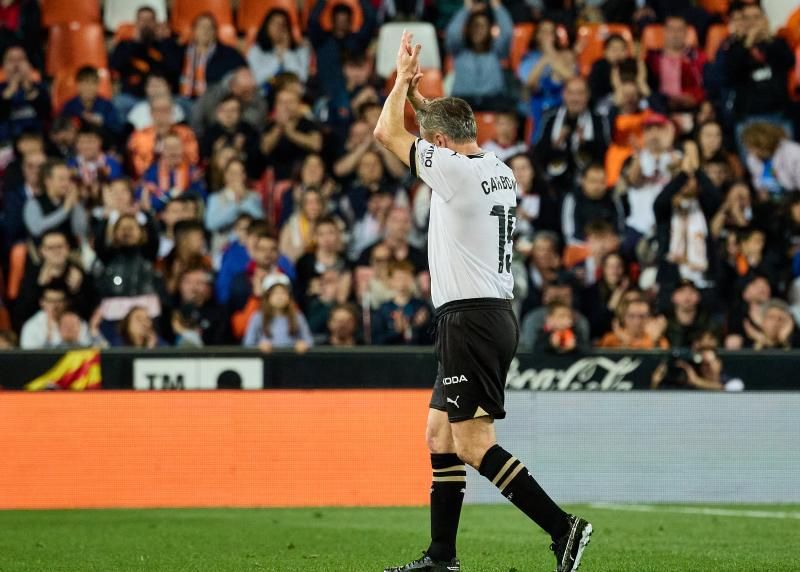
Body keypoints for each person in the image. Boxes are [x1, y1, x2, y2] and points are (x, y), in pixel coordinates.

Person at [376, 31, 591, 572]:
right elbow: (446, 130)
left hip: (470, 318)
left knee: (473, 444)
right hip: (486, 314)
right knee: (439, 434)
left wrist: (402, 81)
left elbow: (385, 131)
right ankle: (441, 556)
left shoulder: (450, 171)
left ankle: (564, 528)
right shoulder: (498, 169)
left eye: (429, 141)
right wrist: (427, 106)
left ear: (439, 146)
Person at [535, 77, 609, 189]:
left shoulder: (598, 120)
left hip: (588, 185)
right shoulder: (551, 118)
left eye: (580, 93)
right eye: (571, 93)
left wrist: (585, 144)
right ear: (564, 95)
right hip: (555, 184)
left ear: (588, 95)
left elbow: (605, 154)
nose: (575, 99)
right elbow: (539, 154)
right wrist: (555, 144)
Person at [109, 6, 180, 119]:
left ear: (156, 23)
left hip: (162, 97)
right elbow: (115, 66)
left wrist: (162, 43)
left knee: (183, 104)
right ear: (136, 23)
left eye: (149, 20)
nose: (146, 24)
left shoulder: (166, 45)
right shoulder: (125, 45)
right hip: (133, 97)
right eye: (142, 20)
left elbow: (174, 68)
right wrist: (135, 42)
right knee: (119, 103)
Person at [445, 0, 513, 111]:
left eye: (482, 27)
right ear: (468, 30)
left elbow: (507, 33)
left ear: (489, 30)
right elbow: (452, 33)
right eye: (475, 26)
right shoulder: (459, 50)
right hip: (463, 103)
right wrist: (466, 8)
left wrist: (496, 6)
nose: (478, 30)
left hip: (493, 101)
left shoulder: (496, 52)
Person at [518, 20, 576, 129]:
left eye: (551, 32)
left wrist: (550, 53)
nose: (547, 36)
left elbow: (573, 79)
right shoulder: (529, 57)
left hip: (562, 105)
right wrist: (544, 60)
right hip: (535, 104)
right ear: (536, 36)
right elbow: (529, 84)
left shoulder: (566, 55)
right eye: (544, 32)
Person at [205, 158, 264, 262]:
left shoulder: (254, 197)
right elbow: (211, 224)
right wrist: (235, 205)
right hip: (222, 250)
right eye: (232, 173)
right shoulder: (215, 198)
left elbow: (260, 220)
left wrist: (244, 200)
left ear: (244, 176)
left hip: (249, 250)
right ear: (225, 176)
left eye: (239, 173)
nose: (235, 177)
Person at [644, 15, 707, 112]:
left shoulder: (698, 57)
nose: (675, 34)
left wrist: (694, 97)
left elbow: (705, 85)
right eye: (671, 29)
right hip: (660, 107)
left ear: (686, 32)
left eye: (679, 30)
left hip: (692, 106)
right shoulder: (652, 58)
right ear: (664, 31)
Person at [178, 13, 246, 100]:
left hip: (214, 102)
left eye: (210, 27)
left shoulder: (229, 54)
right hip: (183, 100)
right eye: (201, 27)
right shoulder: (180, 51)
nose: (205, 31)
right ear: (193, 30)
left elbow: (243, 71)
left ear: (215, 32)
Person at [23, 159, 88, 247]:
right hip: (44, 254)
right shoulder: (33, 203)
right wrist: (65, 210)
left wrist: (75, 203)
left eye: (69, 179)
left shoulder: (71, 201)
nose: (67, 183)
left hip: (71, 252)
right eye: (62, 179)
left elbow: (81, 231)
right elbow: (36, 229)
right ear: (48, 181)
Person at [243, 273, 313, 352]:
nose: (279, 297)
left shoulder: (297, 316)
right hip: (266, 361)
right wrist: (259, 347)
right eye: (275, 293)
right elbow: (248, 344)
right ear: (267, 297)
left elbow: (309, 340)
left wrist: (303, 344)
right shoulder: (257, 317)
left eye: (283, 292)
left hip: (292, 361)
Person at [372, 261, 432, 345]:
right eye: (398, 278)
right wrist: (396, 332)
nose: (402, 283)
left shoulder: (421, 307)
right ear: (390, 281)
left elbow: (432, 339)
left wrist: (421, 326)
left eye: (406, 278)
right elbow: (376, 342)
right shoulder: (383, 309)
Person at [0, 44, 50, 144]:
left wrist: (28, 88)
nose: (16, 65)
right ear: (3, 66)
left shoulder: (40, 87)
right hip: (6, 144)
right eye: (11, 60)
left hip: (37, 142)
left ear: (29, 64)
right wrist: (10, 90)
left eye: (20, 59)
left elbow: (46, 114)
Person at [247, 9, 311, 86]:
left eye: (282, 24)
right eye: (274, 24)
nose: (278, 28)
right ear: (266, 26)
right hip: (264, 95)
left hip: (292, 95)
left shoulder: (301, 50)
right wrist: (278, 59)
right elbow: (256, 80)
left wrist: (286, 52)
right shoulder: (256, 50)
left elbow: (301, 78)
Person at [59, 66, 122, 139]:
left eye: (93, 83)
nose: (89, 87)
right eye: (85, 83)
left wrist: (101, 123)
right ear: (77, 85)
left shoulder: (107, 106)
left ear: (98, 85)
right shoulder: (69, 106)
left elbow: (117, 130)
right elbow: (61, 128)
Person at [741, 122, 800, 197]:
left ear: (763, 143)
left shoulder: (793, 152)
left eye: (752, 147)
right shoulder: (752, 158)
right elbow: (759, 185)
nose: (749, 151)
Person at [597, 297, 669, 349]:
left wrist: (627, 341)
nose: (637, 321)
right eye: (631, 316)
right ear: (623, 317)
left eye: (642, 316)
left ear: (649, 318)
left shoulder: (658, 341)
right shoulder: (611, 340)